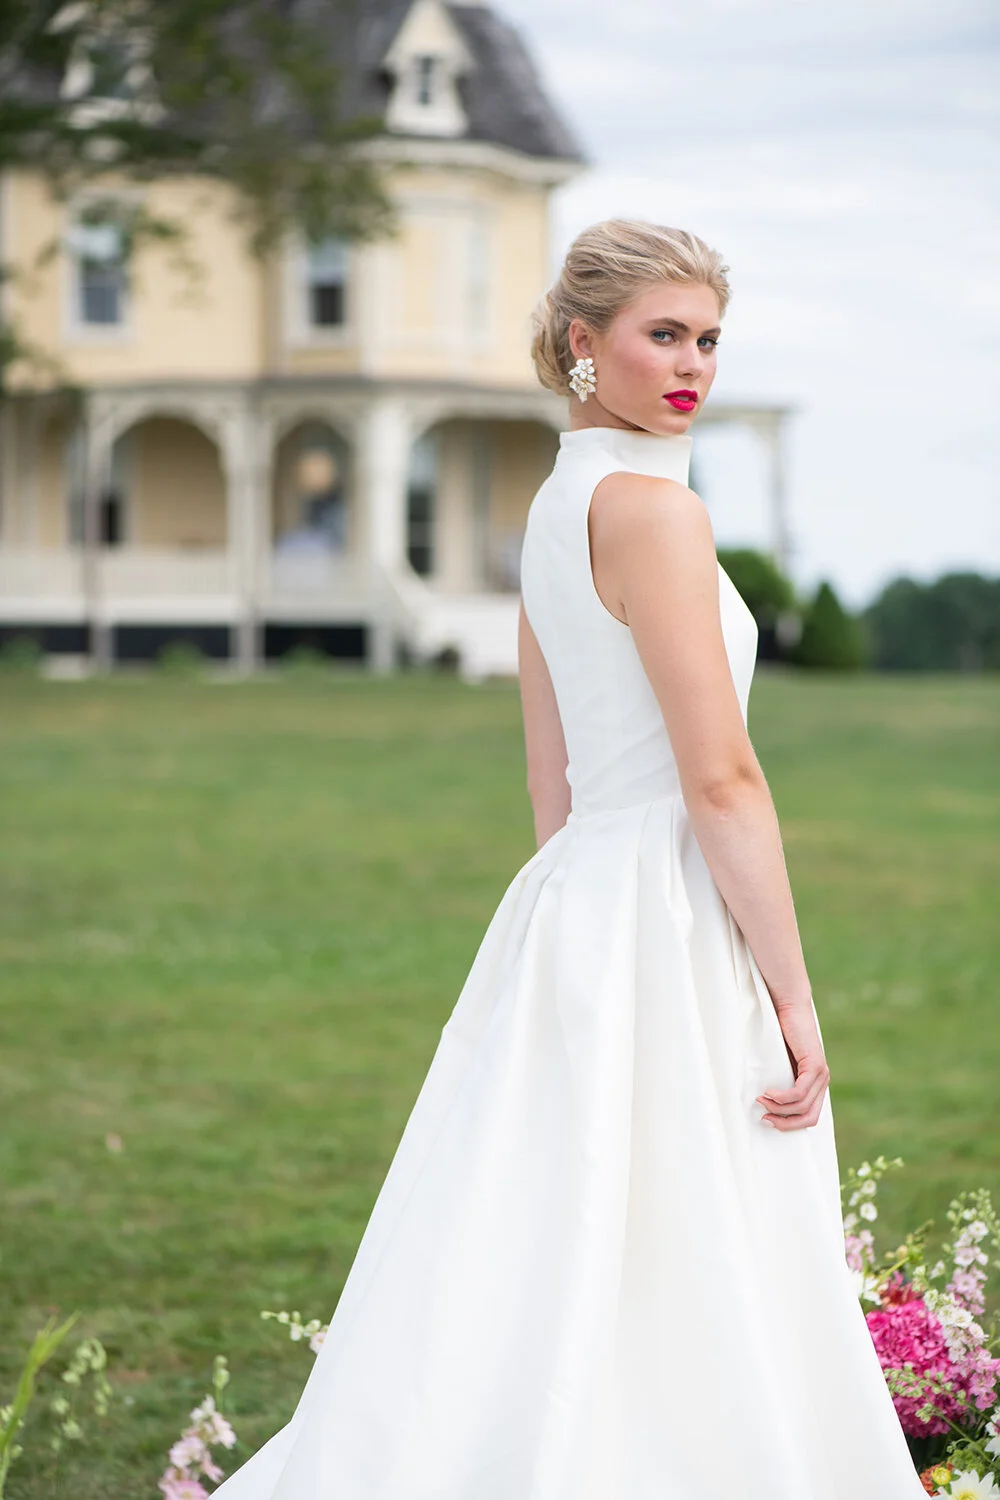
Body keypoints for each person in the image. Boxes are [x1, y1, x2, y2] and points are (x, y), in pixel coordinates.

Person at [212, 219, 928, 1499]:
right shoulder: (655, 514)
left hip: (581, 899)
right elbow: (721, 778)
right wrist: (790, 992)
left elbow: (551, 777)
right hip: (665, 901)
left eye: (709, 339)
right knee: (684, 1225)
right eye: (665, 335)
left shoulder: (557, 505)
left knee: (562, 1222)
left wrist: (586, 928)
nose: (692, 363)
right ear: (582, 343)